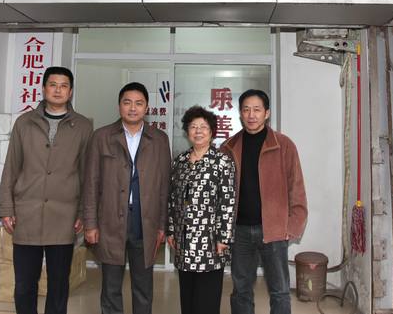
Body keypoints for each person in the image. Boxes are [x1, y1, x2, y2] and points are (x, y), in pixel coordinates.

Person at [0, 66, 92, 314]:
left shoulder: (83, 126)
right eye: (53, 85)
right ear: (43, 88)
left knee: (59, 285)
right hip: (27, 213)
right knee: (24, 285)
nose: (58, 90)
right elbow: (11, 167)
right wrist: (6, 208)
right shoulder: (24, 123)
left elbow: (87, 173)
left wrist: (82, 212)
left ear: (70, 92)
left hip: (64, 216)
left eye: (63, 86)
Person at [82, 82, 171, 314]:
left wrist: (162, 225)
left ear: (147, 108)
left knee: (143, 286)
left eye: (139, 103)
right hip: (110, 221)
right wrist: (90, 223)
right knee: (111, 286)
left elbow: (164, 185)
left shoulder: (159, 139)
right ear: (119, 105)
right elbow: (90, 183)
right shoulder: (101, 136)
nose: (133, 108)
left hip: (145, 222)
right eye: (127, 102)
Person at [221, 90, 308, 314]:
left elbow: (296, 187)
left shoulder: (284, 145)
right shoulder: (229, 147)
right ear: (240, 113)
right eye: (246, 110)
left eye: (257, 109)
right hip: (239, 230)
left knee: (279, 291)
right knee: (241, 290)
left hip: (274, 230)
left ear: (267, 113)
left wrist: (293, 225)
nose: (251, 115)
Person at [167, 106, 235, 314]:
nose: (198, 131)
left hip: (210, 241)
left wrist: (224, 237)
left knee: (206, 300)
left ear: (212, 132)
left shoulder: (222, 162)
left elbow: (227, 202)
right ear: (187, 132)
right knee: (187, 296)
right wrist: (171, 230)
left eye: (203, 127)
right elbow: (172, 199)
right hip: (183, 239)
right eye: (193, 127)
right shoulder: (179, 161)